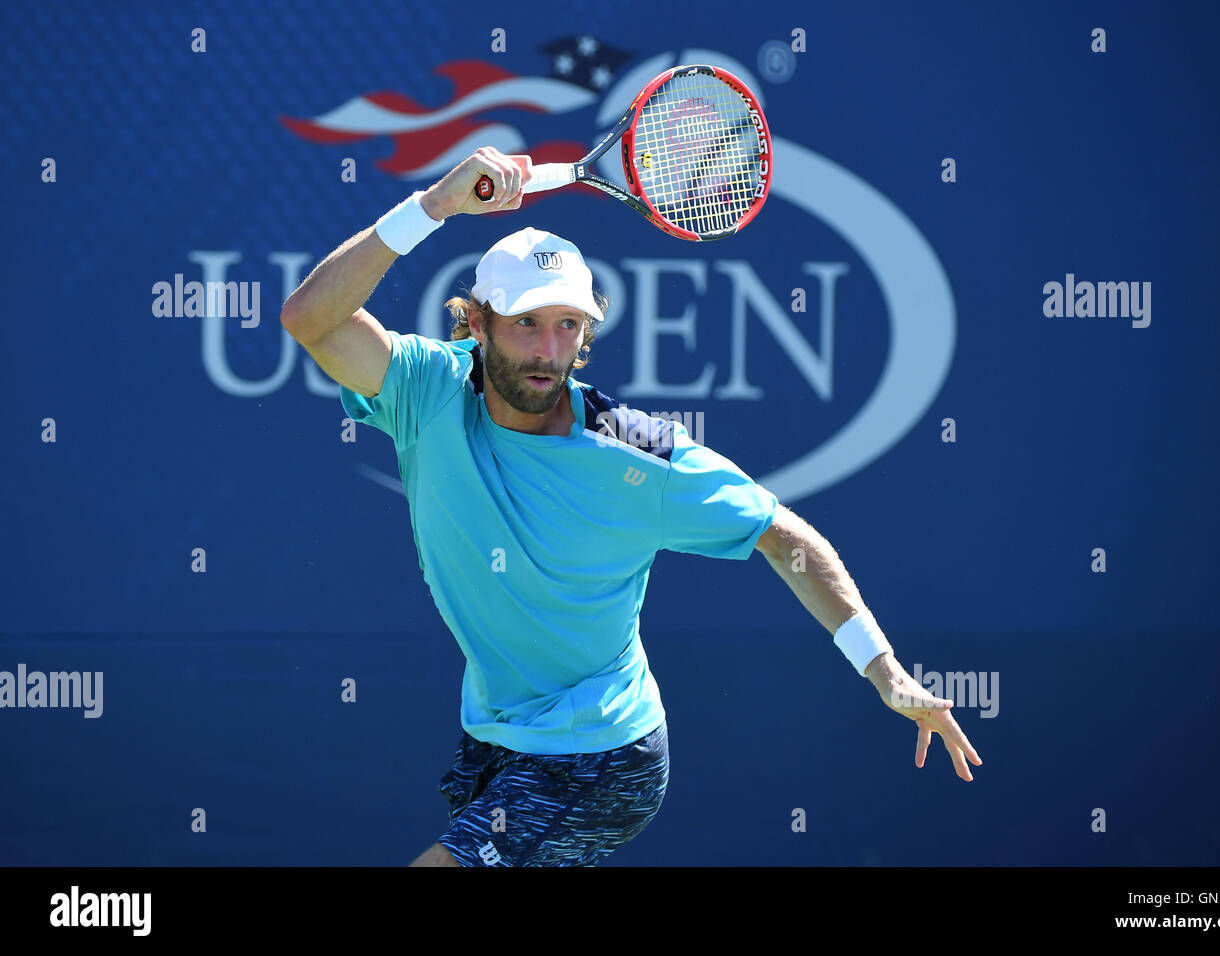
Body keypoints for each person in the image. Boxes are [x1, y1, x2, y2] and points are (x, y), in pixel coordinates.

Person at [280, 146, 982, 867]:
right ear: (478, 324)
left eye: (569, 326)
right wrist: (434, 205)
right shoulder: (424, 390)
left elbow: (783, 536)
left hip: (603, 758)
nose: (548, 350)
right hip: (493, 737)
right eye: (526, 323)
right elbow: (310, 318)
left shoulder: (638, 456)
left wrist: (885, 670)